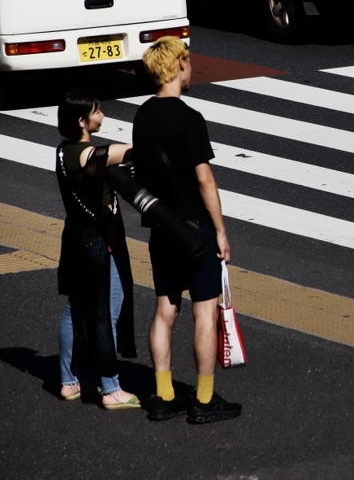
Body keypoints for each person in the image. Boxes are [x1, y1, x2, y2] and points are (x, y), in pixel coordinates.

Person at [132, 36, 241, 424]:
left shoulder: (142, 116)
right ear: (178, 65)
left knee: (165, 310)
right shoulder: (189, 118)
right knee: (204, 314)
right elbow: (205, 180)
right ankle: (204, 400)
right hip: (195, 230)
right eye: (188, 62)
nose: (190, 67)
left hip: (162, 229)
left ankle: (163, 395)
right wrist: (221, 230)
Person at [55, 89, 139, 409]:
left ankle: (67, 381)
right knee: (106, 312)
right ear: (82, 121)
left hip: (75, 238)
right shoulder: (85, 154)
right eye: (97, 111)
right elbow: (125, 153)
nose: (102, 115)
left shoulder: (64, 151)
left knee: (76, 308)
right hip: (97, 243)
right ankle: (111, 388)